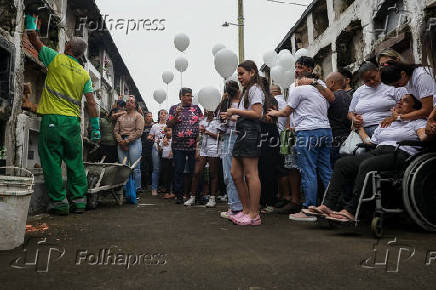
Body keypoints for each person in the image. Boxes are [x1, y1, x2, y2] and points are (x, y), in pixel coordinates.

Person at [304, 94, 430, 222]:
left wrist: (430, 132)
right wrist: (360, 128)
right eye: (400, 101)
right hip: (378, 151)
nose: (400, 103)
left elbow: (423, 137)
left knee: (368, 165)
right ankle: (328, 205)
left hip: (400, 154)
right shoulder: (388, 122)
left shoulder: (418, 122)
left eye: (406, 101)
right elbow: (370, 142)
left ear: (415, 107)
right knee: (342, 163)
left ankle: (351, 210)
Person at [26, 16, 100, 215]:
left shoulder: (55, 59)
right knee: (75, 162)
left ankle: (59, 203)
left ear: (67, 47)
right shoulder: (84, 75)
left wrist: (30, 16)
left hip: (53, 120)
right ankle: (79, 201)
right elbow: (91, 103)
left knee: (51, 162)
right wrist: (96, 128)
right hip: (73, 124)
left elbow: (32, 38)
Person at [267, 72, 333, 221]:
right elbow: (331, 100)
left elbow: (285, 112)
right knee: (326, 170)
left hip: (307, 133)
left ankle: (309, 209)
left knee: (308, 171)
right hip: (326, 131)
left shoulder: (298, 90)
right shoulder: (321, 92)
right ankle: (330, 206)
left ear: (300, 81)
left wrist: (273, 113)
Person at [221, 60, 264, 226]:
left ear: (252, 72)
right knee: (235, 174)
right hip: (242, 133)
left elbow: (257, 113)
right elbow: (247, 114)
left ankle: (254, 214)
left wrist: (234, 110)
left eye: (241, 73)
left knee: (250, 173)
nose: (239, 77)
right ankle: (245, 210)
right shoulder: (247, 90)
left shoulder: (255, 89)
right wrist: (233, 117)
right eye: (238, 74)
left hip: (251, 134)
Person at [348, 62, 407, 137]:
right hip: (362, 129)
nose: (371, 81)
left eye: (373, 77)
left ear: (378, 71)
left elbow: (405, 106)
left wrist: (393, 118)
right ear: (362, 80)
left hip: (386, 126)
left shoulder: (391, 85)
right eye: (367, 81)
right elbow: (350, 112)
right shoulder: (358, 92)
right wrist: (354, 119)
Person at [167, 88, 203, 204]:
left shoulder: (196, 108)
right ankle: (179, 195)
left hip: (194, 147)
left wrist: (199, 144)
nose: (189, 98)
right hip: (178, 146)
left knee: (195, 171)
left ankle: (196, 195)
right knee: (178, 171)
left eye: (191, 96)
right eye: (187, 96)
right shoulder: (174, 108)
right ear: (181, 97)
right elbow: (169, 124)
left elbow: (202, 123)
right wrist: (176, 116)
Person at [216, 81, 243, 219]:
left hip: (242, 137)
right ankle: (234, 205)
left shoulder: (245, 100)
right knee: (228, 174)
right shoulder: (224, 103)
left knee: (243, 173)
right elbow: (218, 122)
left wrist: (231, 116)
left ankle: (242, 207)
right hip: (227, 138)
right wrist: (222, 121)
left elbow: (249, 118)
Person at [184, 110, 221, 207]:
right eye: (205, 108)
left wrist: (207, 132)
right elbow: (199, 136)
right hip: (203, 149)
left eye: (208, 108)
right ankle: (193, 197)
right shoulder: (202, 121)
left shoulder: (218, 121)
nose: (206, 110)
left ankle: (212, 198)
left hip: (214, 149)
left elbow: (221, 137)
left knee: (213, 174)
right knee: (196, 173)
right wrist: (197, 149)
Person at [380, 61, 435, 125]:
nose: (397, 87)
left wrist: (399, 117)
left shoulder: (422, 76)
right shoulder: (407, 79)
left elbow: (427, 110)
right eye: (393, 86)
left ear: (403, 74)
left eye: (397, 84)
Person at [258, 78, 280, 213]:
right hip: (258, 137)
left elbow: (271, 118)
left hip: (269, 137)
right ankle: (261, 201)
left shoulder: (271, 100)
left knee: (269, 170)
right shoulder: (256, 99)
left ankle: (271, 202)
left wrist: (255, 116)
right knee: (259, 171)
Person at [113, 96, 144, 191]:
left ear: (134, 105)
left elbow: (139, 131)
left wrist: (126, 141)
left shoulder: (138, 116)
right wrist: (121, 142)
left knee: (135, 167)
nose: (128, 103)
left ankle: (137, 189)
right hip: (121, 142)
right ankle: (125, 190)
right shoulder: (121, 117)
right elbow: (115, 131)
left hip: (134, 142)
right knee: (123, 167)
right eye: (127, 101)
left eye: (131, 102)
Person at [325, 72, 353, 165]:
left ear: (332, 83)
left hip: (335, 138)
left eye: (326, 83)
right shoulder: (350, 96)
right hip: (349, 138)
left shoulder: (332, 98)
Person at [149, 109, 168, 196]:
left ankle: (166, 188)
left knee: (167, 169)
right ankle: (154, 189)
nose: (163, 115)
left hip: (167, 148)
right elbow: (150, 135)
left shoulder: (169, 125)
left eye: (165, 113)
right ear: (159, 115)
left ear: (167, 116)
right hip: (156, 147)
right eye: (161, 113)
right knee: (156, 169)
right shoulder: (154, 126)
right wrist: (150, 137)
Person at [159, 127, 175, 199]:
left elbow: (176, 147)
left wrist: (172, 152)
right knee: (166, 175)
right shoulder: (163, 139)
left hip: (172, 159)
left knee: (172, 175)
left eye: (169, 130)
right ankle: (167, 192)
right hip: (164, 159)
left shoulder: (174, 139)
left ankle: (172, 192)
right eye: (166, 131)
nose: (167, 132)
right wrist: (159, 144)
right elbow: (160, 149)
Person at [140, 111, 154, 191]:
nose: (150, 118)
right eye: (148, 116)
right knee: (143, 168)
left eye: (150, 116)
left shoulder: (154, 126)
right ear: (144, 118)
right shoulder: (141, 126)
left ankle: (151, 184)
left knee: (152, 168)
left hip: (152, 149)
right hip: (143, 149)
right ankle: (143, 185)